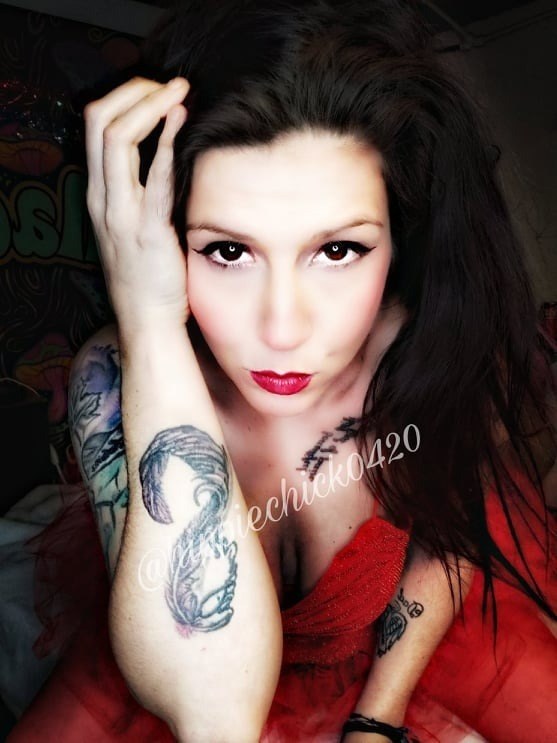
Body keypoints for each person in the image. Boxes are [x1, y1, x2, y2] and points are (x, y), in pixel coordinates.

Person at [9, 1, 557, 741]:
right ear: (164, 240)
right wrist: (149, 324)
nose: (282, 330)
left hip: (407, 649)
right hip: (165, 667)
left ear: (398, 243)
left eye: (337, 250)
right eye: (228, 251)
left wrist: (378, 715)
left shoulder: (421, 343)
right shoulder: (115, 372)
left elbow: (454, 528)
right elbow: (214, 717)